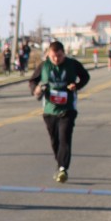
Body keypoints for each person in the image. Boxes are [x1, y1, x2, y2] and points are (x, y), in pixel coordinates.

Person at [30, 41, 91, 182]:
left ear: (64, 53)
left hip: (67, 109)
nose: (56, 59)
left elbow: (85, 77)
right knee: (55, 140)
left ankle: (63, 168)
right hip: (49, 109)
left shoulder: (72, 64)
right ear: (48, 54)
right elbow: (33, 81)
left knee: (65, 138)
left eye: (59, 56)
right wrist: (36, 89)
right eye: (53, 56)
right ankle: (60, 164)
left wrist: (76, 85)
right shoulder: (44, 66)